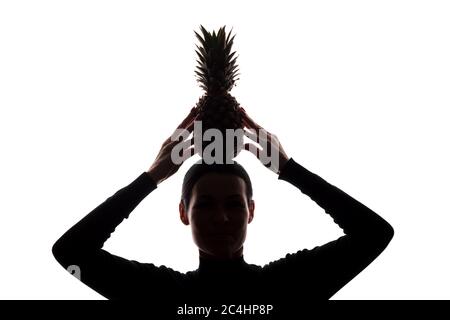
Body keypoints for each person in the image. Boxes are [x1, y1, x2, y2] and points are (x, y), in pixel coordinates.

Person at [52, 107, 394, 312]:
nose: (221, 218)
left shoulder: (287, 284)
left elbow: (374, 234)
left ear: (251, 211)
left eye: (234, 204)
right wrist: (152, 176)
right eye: (205, 206)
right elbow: (70, 253)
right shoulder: (160, 294)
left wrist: (291, 170)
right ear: (184, 213)